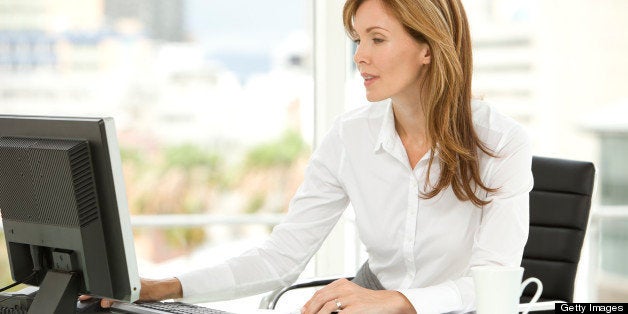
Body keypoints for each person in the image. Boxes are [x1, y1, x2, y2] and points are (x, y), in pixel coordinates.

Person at [93, 0, 533, 313]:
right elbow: (281, 257)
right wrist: (163, 287)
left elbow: (491, 284)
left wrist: (398, 303)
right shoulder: (350, 137)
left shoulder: (501, 143)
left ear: (428, 48)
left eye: (377, 39)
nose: (360, 56)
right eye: (357, 39)